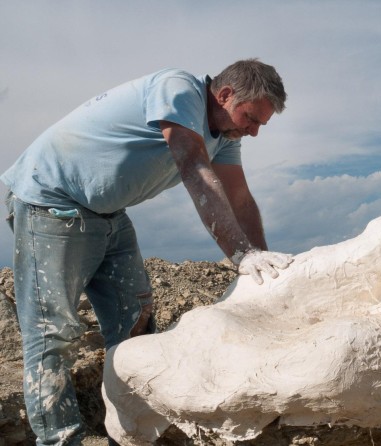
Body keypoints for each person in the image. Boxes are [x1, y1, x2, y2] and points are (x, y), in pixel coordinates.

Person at [1, 58, 294, 445]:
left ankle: (132, 433)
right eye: (250, 118)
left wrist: (260, 261)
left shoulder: (225, 135)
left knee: (135, 325)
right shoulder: (178, 90)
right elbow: (193, 168)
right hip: (52, 203)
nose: (253, 132)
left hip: (108, 212)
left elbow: (238, 198)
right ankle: (60, 439)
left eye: (260, 125)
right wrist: (240, 253)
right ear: (224, 95)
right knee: (53, 331)